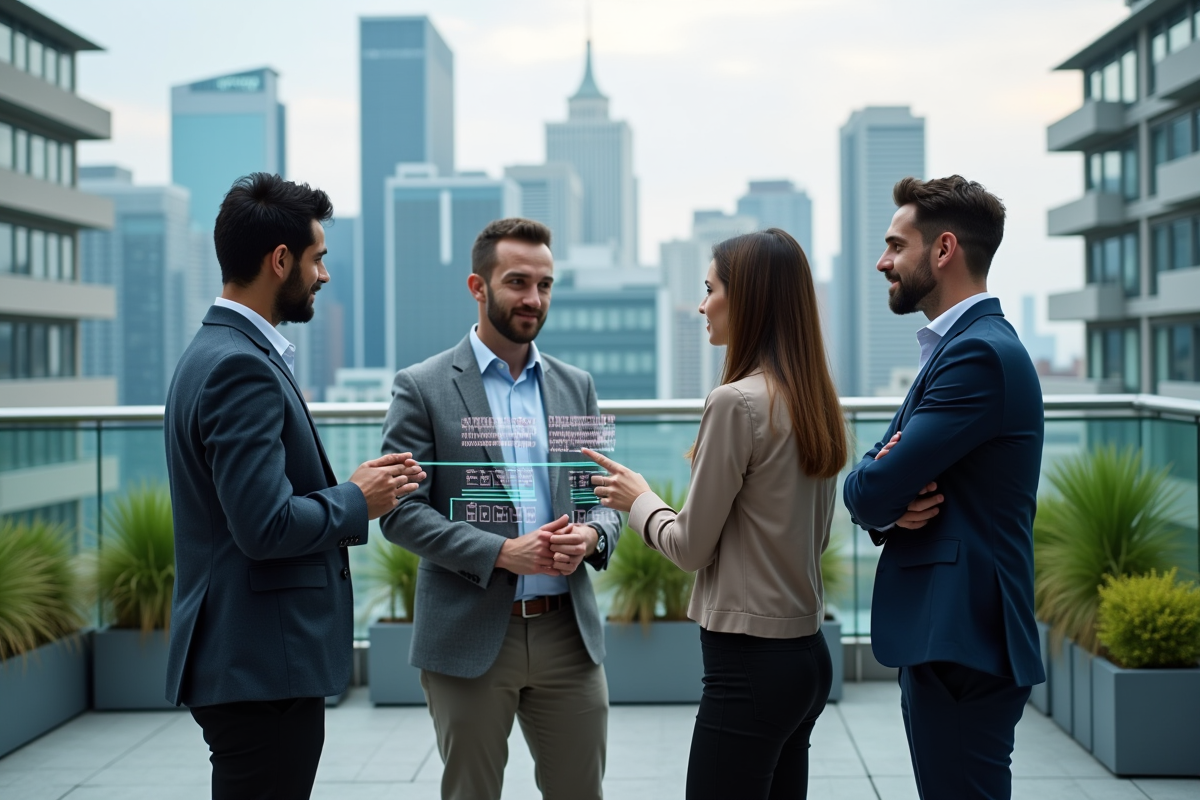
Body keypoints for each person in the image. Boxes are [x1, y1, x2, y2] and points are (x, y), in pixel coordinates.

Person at [164, 172, 425, 800]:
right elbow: (264, 526)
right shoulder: (239, 367)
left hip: (248, 663)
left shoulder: (215, 351)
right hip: (260, 667)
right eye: (318, 259)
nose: (324, 275)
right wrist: (358, 499)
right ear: (280, 261)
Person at [584, 228, 845, 800]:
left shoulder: (736, 402)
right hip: (808, 655)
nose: (702, 305)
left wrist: (638, 501)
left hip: (748, 664)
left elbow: (689, 547)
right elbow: (814, 537)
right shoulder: (816, 399)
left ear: (746, 297)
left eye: (710, 288)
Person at [378, 217, 622, 800]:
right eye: (517, 281)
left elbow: (602, 497)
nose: (533, 298)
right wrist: (502, 553)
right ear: (477, 287)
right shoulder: (422, 386)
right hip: (469, 633)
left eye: (544, 284)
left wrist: (592, 539)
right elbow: (398, 511)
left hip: (569, 636)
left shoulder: (575, 386)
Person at [842, 176, 1045, 800]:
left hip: (964, 637)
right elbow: (880, 473)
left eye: (895, 245)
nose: (883, 262)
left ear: (943, 249)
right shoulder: (957, 347)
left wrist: (882, 490)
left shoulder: (977, 355)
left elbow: (869, 487)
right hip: (951, 633)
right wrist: (885, 488)